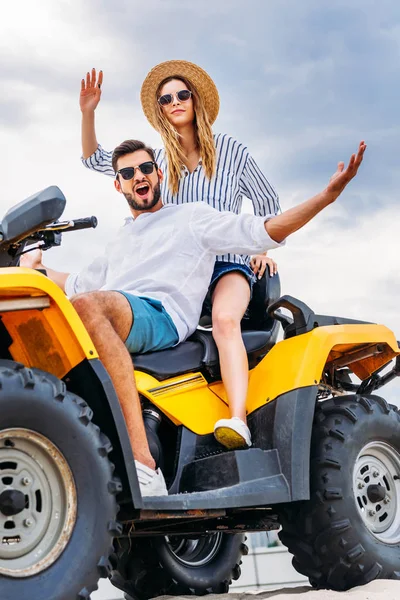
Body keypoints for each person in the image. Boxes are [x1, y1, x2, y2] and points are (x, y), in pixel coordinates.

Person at [21, 138, 366, 497]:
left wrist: (325, 198)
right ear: (118, 184)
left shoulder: (191, 217)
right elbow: (75, 283)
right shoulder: (121, 239)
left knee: (88, 307)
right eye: (127, 172)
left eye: (145, 168)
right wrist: (34, 269)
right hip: (116, 309)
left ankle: (143, 463)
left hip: (160, 315)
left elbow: (263, 229)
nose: (138, 176)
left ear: (157, 173)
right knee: (49, 318)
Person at [79, 62, 280, 450]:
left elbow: (268, 202)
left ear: (196, 100)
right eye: (165, 98)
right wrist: (88, 113)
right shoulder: (156, 160)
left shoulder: (231, 151)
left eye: (182, 94)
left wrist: (264, 250)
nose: (174, 102)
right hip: (179, 267)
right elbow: (97, 161)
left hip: (226, 260)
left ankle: (237, 418)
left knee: (224, 320)